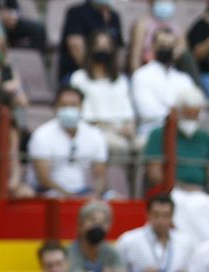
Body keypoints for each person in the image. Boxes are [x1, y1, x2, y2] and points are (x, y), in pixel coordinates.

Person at [28, 86, 109, 197]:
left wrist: (96, 195)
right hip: (49, 192)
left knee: (117, 200)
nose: (69, 109)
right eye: (64, 105)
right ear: (56, 108)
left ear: (81, 107)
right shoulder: (42, 135)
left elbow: (100, 175)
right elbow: (43, 179)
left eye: (73, 105)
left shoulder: (95, 135)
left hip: (84, 191)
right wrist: (70, 196)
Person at [69, 31, 136, 164]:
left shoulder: (121, 80)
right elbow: (80, 114)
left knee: (145, 145)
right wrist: (110, 128)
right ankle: (119, 184)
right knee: (119, 146)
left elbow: (129, 113)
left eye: (106, 46)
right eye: (98, 45)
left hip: (122, 129)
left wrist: (130, 126)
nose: (102, 50)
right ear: (90, 49)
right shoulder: (78, 78)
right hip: (95, 128)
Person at [143, 87, 209, 191]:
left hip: (200, 192)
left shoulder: (205, 137)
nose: (191, 120)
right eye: (187, 115)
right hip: (171, 191)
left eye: (194, 116)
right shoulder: (158, 134)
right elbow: (154, 174)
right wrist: (183, 188)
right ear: (177, 111)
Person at [131, 26, 200, 125]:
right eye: (163, 45)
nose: (167, 49)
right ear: (153, 47)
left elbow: (196, 107)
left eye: (170, 46)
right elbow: (147, 112)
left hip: (182, 131)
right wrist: (179, 114)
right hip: (152, 132)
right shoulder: (141, 75)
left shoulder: (183, 78)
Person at [115, 191, 192, 272]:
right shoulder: (128, 241)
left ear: (172, 217)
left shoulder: (184, 242)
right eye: (156, 215)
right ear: (148, 214)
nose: (161, 220)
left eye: (165, 215)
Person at [67, 199, 128, 272]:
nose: (98, 226)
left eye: (103, 222)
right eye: (92, 220)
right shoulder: (70, 253)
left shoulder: (112, 253)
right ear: (81, 224)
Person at [59, 0, 125, 84]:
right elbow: (75, 46)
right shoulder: (76, 12)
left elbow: (118, 49)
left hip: (109, 75)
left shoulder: (114, 16)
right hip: (78, 73)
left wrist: (109, 74)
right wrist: (94, 74)